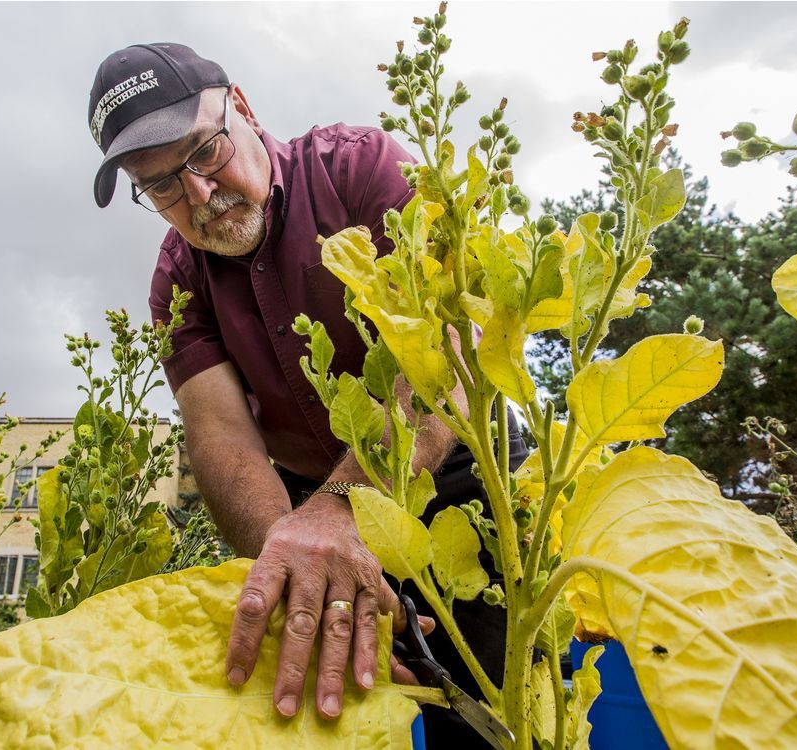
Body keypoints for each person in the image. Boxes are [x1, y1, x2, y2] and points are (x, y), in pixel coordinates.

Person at [87, 42, 528, 745]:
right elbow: (221, 438)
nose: (198, 195)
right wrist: (297, 562)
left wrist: (347, 506)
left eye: (205, 152)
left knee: (492, 712)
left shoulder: (360, 168)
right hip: (299, 508)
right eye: (161, 185)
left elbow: (453, 348)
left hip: (457, 473)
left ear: (243, 108)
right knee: (336, 711)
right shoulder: (177, 281)